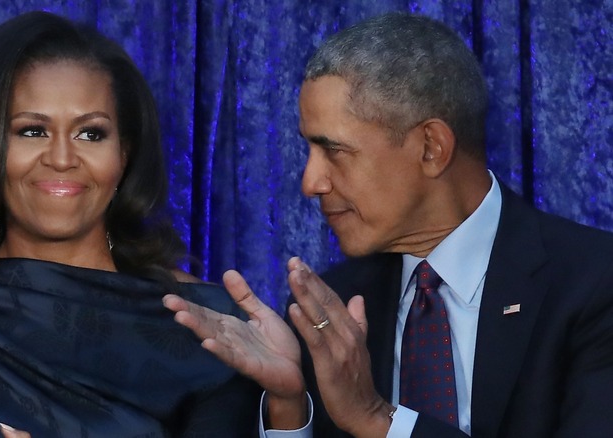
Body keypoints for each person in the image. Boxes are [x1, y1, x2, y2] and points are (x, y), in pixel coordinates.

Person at [163, 11, 613, 438]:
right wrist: (289, 405)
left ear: (431, 148)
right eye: (309, 151)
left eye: (334, 150)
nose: (310, 182)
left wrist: (376, 418)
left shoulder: (594, 284)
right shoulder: (330, 310)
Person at [0, 11, 258, 437]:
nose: (61, 158)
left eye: (90, 134)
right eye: (32, 131)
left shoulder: (206, 327)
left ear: (123, 155)